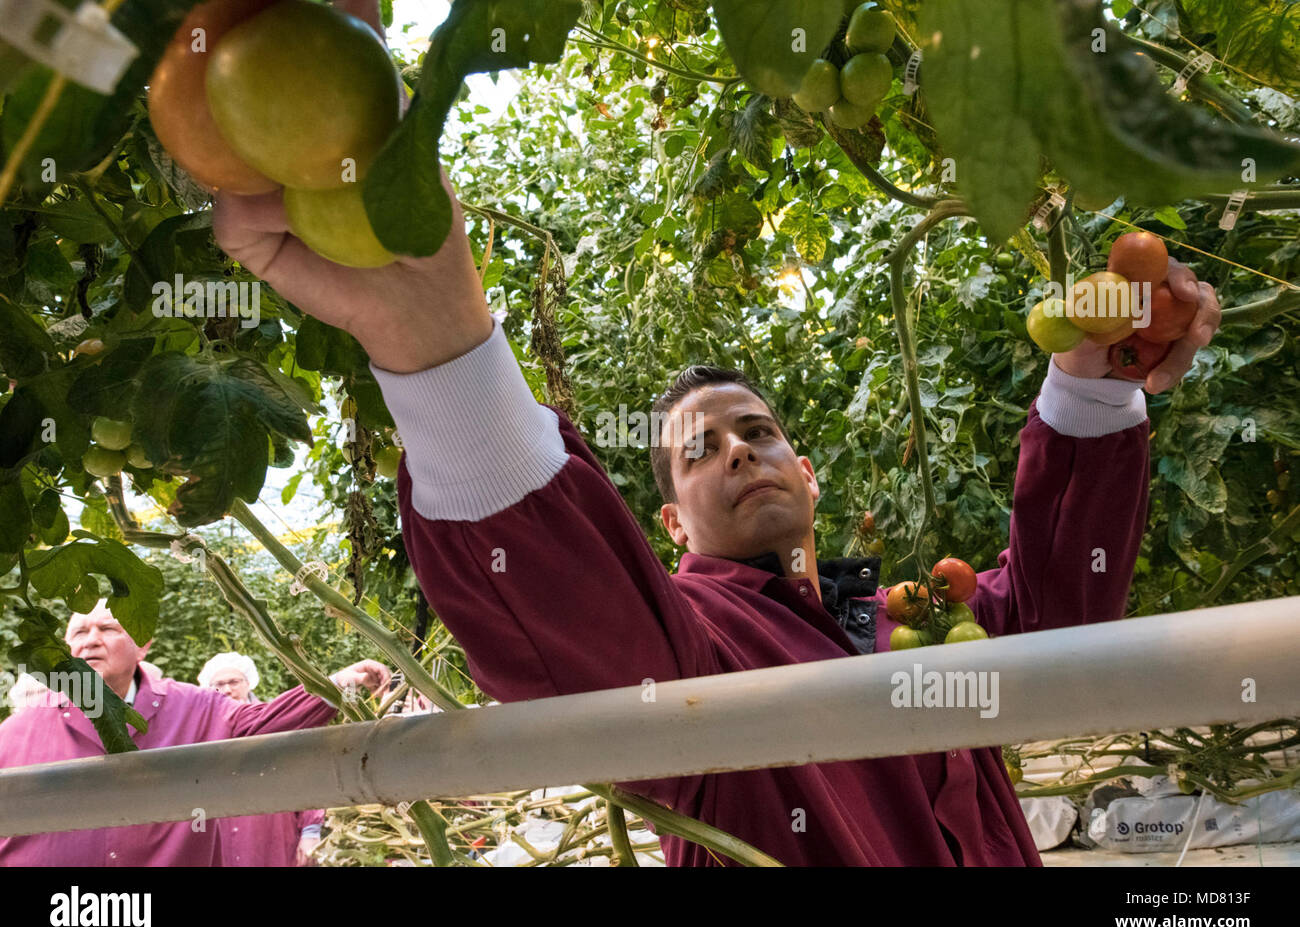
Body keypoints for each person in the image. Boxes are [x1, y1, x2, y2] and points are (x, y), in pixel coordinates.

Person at [211, 1, 1222, 865]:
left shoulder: (887, 616)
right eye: (699, 450)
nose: (736, 450)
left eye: (756, 430)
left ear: (809, 473)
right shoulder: (698, 648)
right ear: (668, 523)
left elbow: (1052, 619)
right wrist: (432, 342)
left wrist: (1091, 387)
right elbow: (599, 660)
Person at [0, 599, 390, 866]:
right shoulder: (21, 729)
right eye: (79, 632)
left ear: (143, 645)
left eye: (107, 628)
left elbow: (263, 724)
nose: (90, 640)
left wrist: (338, 685)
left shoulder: (194, 707)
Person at [198, 652, 325, 866]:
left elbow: (306, 774)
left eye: (234, 681)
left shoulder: (276, 722)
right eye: (219, 684)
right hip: (222, 834)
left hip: (274, 829)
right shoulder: (202, 732)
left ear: (249, 683)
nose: (228, 689)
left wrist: (311, 831)